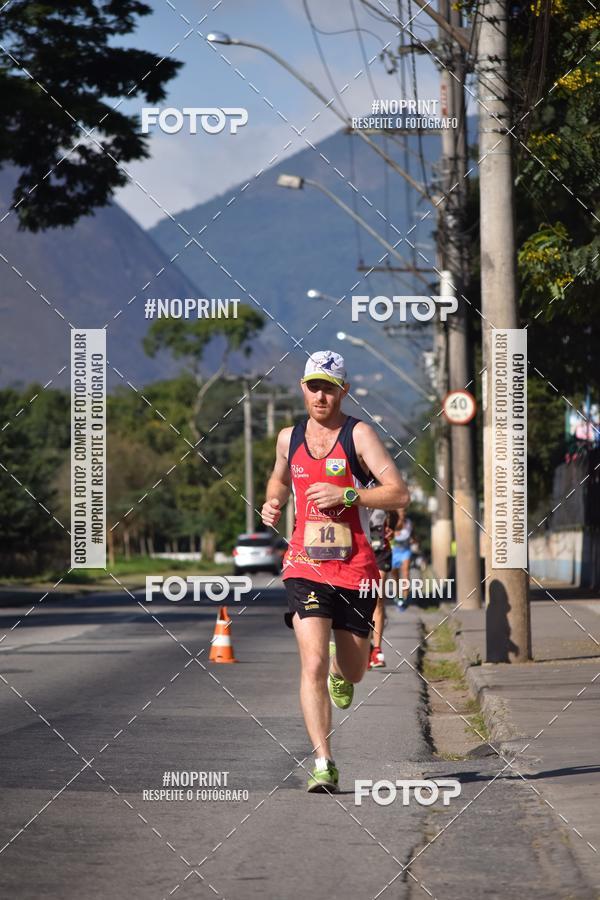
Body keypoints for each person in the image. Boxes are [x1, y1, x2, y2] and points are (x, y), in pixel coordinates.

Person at [261, 350, 410, 793]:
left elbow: (398, 494)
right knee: (312, 660)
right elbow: (280, 479)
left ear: (343, 390)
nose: (320, 395)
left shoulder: (359, 435)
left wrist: (349, 496)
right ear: (302, 388)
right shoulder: (289, 437)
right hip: (304, 566)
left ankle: (343, 675)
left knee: (354, 668)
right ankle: (324, 761)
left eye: (329, 386)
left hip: (356, 567)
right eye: (313, 385)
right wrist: (272, 501)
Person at [367, 508, 399, 668]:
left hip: (380, 551)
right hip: (357, 550)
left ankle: (377, 650)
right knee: (359, 599)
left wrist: (391, 527)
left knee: (377, 599)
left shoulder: (380, 489)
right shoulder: (350, 487)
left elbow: (394, 511)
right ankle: (365, 647)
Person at [390, 509, 413, 609]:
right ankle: (397, 595)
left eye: (404, 511)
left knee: (406, 574)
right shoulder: (392, 523)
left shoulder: (409, 523)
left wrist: (413, 539)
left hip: (405, 551)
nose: (403, 513)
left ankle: (405, 598)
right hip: (393, 552)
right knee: (395, 576)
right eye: (401, 512)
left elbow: (413, 535)